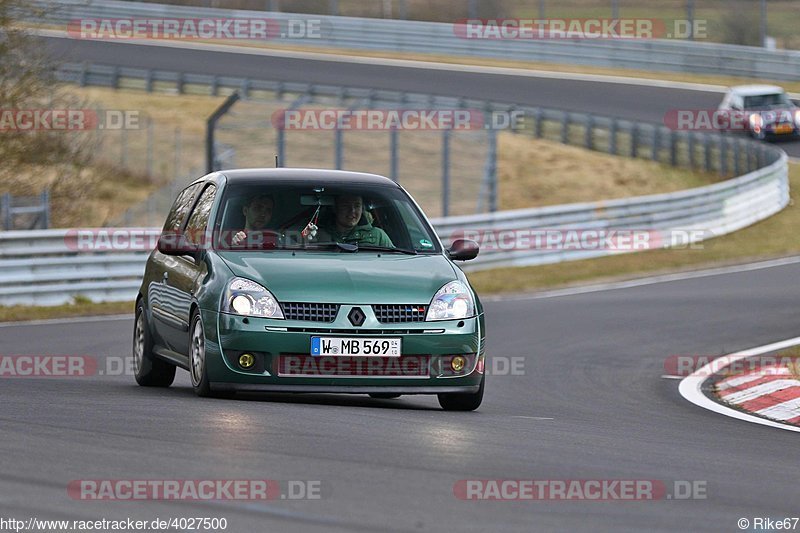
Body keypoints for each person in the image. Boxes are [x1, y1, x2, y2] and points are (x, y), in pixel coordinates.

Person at [320, 194, 393, 247]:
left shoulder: (378, 235)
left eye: (357, 206)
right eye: (345, 206)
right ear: (335, 208)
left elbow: (393, 261)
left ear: (362, 209)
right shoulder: (318, 235)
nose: (352, 211)